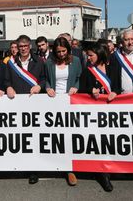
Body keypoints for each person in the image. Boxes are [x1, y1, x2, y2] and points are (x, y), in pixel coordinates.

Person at [4, 35, 46, 184]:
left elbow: (44, 79)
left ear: (30, 46)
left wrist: (39, 86)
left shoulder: (39, 61)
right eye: (20, 46)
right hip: (17, 105)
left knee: (33, 137)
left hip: (35, 104)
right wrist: (8, 87)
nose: (22, 49)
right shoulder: (11, 63)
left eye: (25, 46)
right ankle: (20, 165)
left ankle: (33, 170)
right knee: (20, 137)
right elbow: (6, 80)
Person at [79, 42, 116, 191]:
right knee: (99, 141)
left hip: (111, 110)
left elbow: (118, 86)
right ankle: (102, 173)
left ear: (99, 54)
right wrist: (90, 90)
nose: (88, 58)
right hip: (94, 111)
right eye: (87, 55)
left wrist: (116, 92)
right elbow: (82, 87)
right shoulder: (88, 70)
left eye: (91, 55)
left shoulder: (112, 67)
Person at [45, 37, 81, 186]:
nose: (61, 54)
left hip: (71, 102)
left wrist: (76, 87)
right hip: (54, 102)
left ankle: (70, 169)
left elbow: (80, 77)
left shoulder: (76, 61)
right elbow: (46, 79)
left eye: (64, 51)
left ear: (69, 50)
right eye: (58, 51)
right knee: (57, 135)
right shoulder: (49, 62)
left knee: (70, 135)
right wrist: (48, 87)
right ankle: (57, 163)